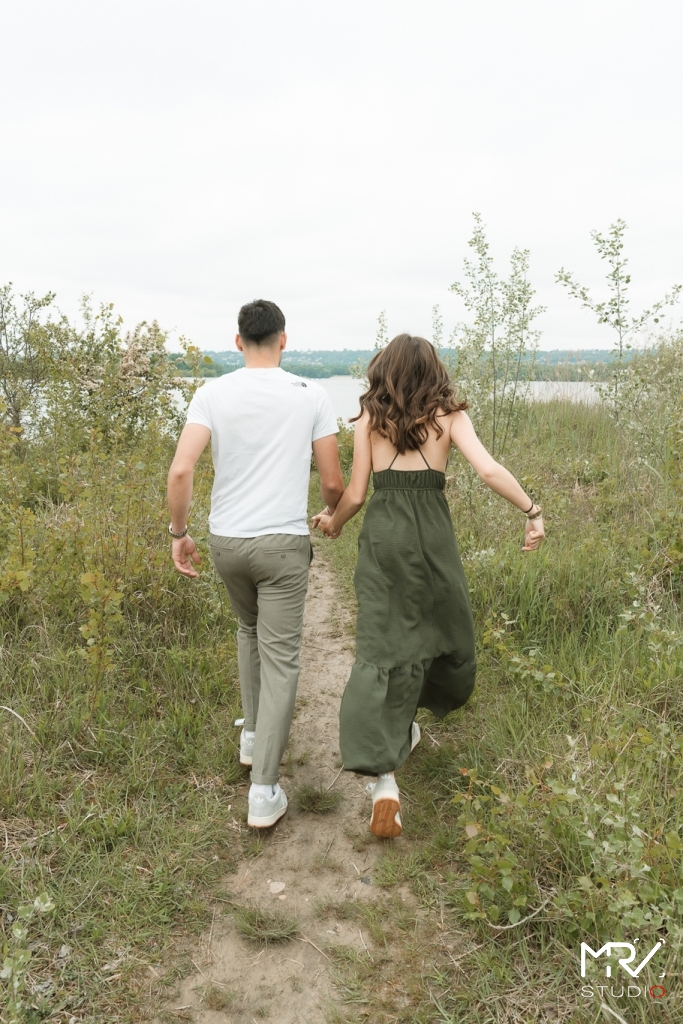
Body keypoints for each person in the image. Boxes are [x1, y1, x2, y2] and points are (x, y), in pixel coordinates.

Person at [313, 334, 544, 838]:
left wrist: (332, 523)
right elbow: (488, 470)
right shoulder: (448, 417)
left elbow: (354, 493)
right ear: (433, 371)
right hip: (433, 539)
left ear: (385, 371)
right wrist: (532, 511)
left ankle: (385, 782)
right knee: (438, 631)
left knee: (384, 640)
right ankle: (406, 734)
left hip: (384, 539)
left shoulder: (368, 420)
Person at [167, 299, 344, 828]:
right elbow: (333, 481)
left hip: (227, 542)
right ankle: (264, 791)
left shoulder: (211, 393)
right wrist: (332, 513)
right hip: (283, 545)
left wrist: (179, 533)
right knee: (283, 658)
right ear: (284, 340)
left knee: (248, 628)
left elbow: (181, 471)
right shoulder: (312, 393)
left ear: (238, 341)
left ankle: (250, 738)